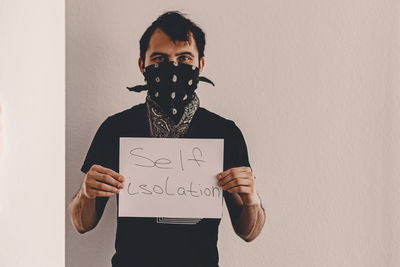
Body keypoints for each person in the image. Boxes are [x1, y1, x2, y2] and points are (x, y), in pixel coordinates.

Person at [68, 10, 266, 267]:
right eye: (159, 59)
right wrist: (86, 193)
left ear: (200, 65)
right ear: (142, 65)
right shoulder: (115, 128)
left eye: (184, 58)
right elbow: (82, 224)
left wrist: (252, 198)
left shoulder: (224, 133)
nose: (173, 67)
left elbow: (248, 232)